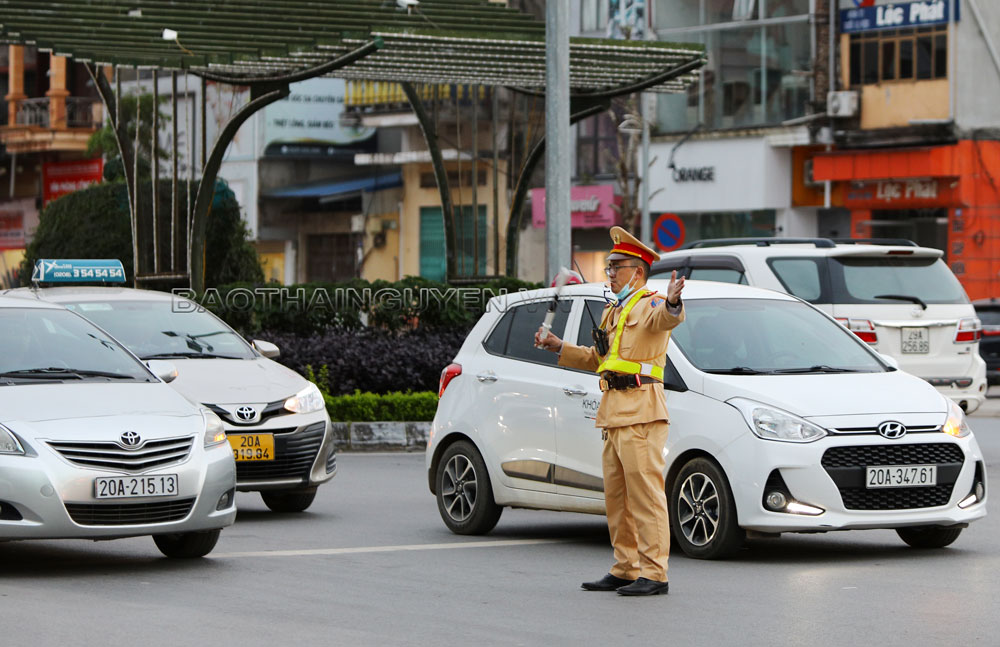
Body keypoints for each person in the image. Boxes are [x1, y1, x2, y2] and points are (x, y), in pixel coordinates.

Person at [535, 226, 684, 597]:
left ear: (638, 271)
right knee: (617, 499)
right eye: (608, 265)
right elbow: (598, 359)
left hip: (642, 414)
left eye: (616, 265)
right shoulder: (613, 311)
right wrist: (559, 346)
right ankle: (625, 568)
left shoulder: (649, 304)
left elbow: (666, 319)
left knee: (646, 498)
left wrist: (673, 303)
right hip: (613, 413)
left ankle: (655, 574)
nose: (610, 272)